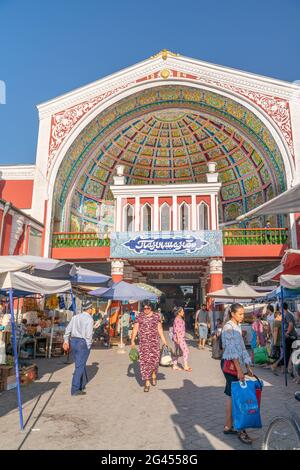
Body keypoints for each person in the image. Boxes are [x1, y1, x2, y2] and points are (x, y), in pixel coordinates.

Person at [221, 303, 254, 445]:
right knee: (237, 396)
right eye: (240, 314)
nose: (242, 316)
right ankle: (241, 429)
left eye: (243, 314)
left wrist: (247, 366)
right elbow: (232, 350)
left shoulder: (237, 326)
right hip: (231, 365)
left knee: (231, 394)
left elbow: (241, 348)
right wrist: (240, 369)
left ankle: (228, 426)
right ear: (232, 314)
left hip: (235, 365)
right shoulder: (228, 327)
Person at [130, 302, 167, 392]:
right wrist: (132, 340)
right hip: (143, 344)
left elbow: (160, 329)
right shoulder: (139, 316)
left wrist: (164, 340)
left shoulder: (157, 316)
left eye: (148, 308)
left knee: (154, 361)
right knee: (144, 362)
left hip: (154, 343)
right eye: (144, 308)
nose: (146, 310)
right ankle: (147, 382)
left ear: (151, 308)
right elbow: (135, 328)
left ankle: (154, 374)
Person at [63, 300, 94, 396]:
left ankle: (80, 386)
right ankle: (75, 389)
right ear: (89, 309)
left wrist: (66, 341)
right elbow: (88, 335)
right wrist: (88, 346)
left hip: (74, 341)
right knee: (80, 366)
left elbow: (67, 330)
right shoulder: (89, 319)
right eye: (91, 308)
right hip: (82, 342)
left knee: (79, 364)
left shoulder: (75, 317)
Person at [275, 302, 298, 371]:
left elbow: (291, 325)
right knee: (288, 353)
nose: (279, 309)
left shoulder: (288, 314)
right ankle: (286, 368)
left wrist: (286, 333)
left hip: (290, 336)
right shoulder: (288, 314)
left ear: (281, 308)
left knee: (287, 354)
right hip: (290, 336)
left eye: (279, 308)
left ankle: (278, 366)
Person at [172, 307, 192, 372]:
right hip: (179, 338)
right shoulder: (177, 319)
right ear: (179, 312)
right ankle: (185, 366)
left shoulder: (179, 318)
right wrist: (178, 339)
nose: (183, 312)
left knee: (177, 352)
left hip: (178, 337)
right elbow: (177, 330)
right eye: (182, 311)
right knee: (186, 351)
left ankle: (174, 365)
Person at [271, 309, 283, 375]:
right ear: (278, 316)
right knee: (280, 355)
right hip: (278, 341)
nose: (282, 317)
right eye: (281, 315)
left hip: (277, 341)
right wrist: (275, 343)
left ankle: (281, 368)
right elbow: (275, 332)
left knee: (278, 355)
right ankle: (274, 366)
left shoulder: (275, 321)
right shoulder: (277, 322)